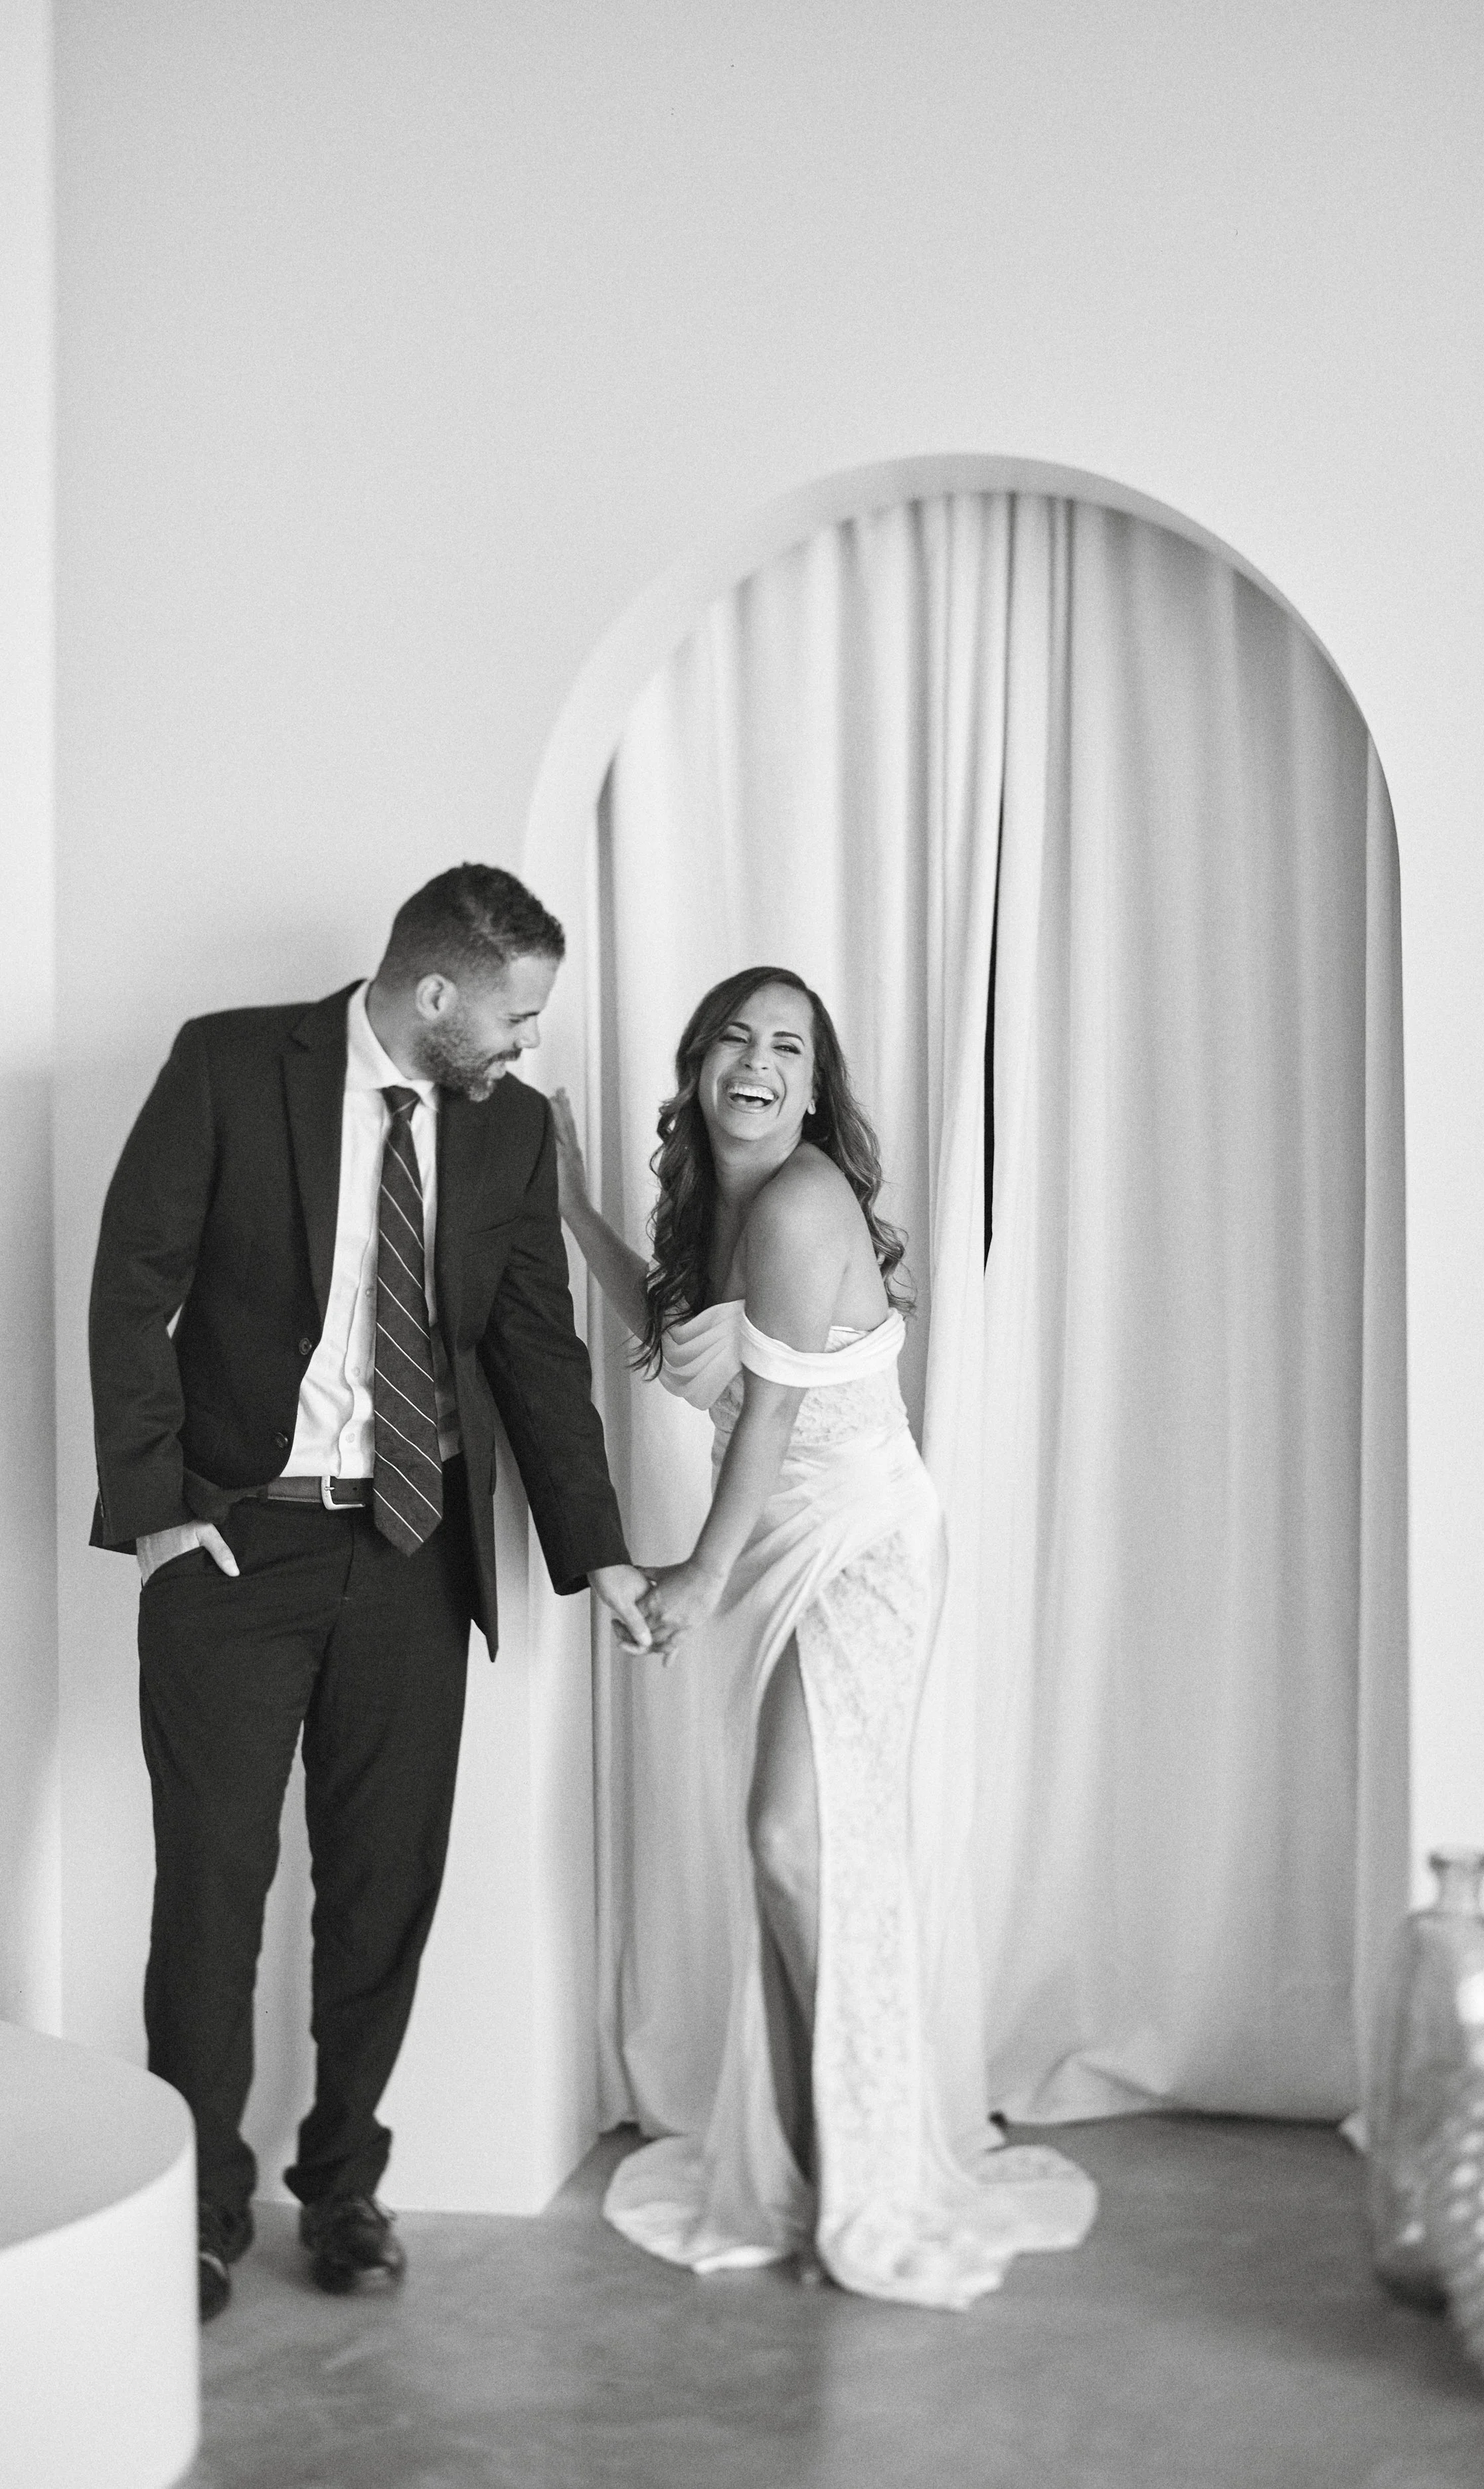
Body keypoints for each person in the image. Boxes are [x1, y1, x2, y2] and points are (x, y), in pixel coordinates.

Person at [88, 863, 655, 2322]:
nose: (528, 1045)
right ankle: (202, 2209)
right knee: (213, 1894)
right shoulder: (231, 1063)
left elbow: (534, 1351)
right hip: (237, 1548)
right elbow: (132, 1281)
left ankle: (341, 2182)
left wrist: (598, 1554)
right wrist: (155, 1514)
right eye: (516, 1015)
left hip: (412, 1554)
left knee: (384, 1889)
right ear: (436, 993)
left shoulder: (509, 1131)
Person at [552, 966, 1096, 2310]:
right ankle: (806, 2162)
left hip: (858, 1546)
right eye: (736, 1035)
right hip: (779, 1540)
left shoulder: (799, 1201)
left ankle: (854, 2165)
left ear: (810, 1087)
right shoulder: (719, 1206)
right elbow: (682, 1345)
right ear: (695, 1066)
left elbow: (775, 1419)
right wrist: (570, 1204)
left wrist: (690, 1576)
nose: (758, 1059)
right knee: (787, 1854)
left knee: (797, 1843)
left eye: (788, 1046)